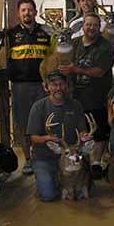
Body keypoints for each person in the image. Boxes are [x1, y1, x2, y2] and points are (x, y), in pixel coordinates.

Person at [58, 12, 114, 180]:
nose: (91, 28)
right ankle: (79, 164)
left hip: (98, 97)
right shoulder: (73, 44)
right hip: (76, 99)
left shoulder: (105, 47)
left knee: (99, 132)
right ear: (82, 26)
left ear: (100, 28)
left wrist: (75, 69)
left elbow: (99, 71)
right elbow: (62, 63)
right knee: (79, 132)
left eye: (95, 25)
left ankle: (95, 163)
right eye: (88, 24)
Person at [5, 0, 53, 175]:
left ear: (35, 12)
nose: (27, 13)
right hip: (20, 86)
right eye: (23, 10)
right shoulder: (10, 35)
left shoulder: (46, 32)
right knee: (24, 124)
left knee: (45, 122)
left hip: (43, 86)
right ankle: (28, 160)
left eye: (30, 10)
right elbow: (4, 59)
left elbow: (53, 58)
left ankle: (45, 156)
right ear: (19, 13)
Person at [26, 72, 86, 202]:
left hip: (70, 157)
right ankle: (48, 181)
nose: (58, 88)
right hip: (45, 158)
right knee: (48, 195)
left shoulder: (76, 105)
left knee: (83, 190)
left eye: (61, 84)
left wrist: (84, 136)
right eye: (53, 85)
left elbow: (82, 131)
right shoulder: (38, 107)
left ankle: (61, 182)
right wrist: (47, 139)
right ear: (46, 87)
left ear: (66, 86)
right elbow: (33, 137)